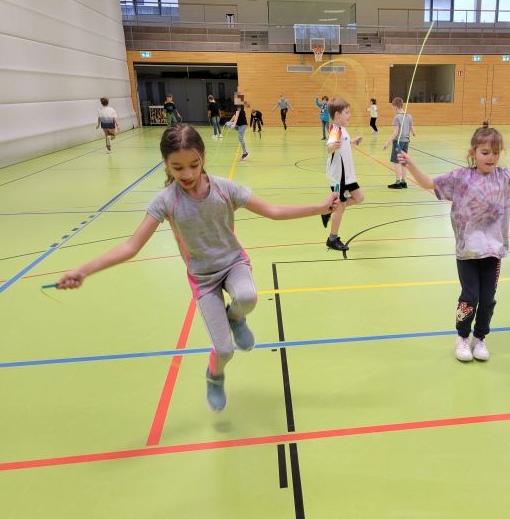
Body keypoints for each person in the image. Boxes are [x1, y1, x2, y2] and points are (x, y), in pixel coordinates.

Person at [54, 125, 339, 411]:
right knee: (224, 350)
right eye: (177, 167)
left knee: (247, 297)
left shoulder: (224, 189)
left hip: (233, 263)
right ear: (166, 164)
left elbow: (272, 211)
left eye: (193, 164)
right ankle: (214, 377)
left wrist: (319, 208)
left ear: (203, 157)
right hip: (203, 280)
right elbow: (131, 246)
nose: (187, 174)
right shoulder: (166, 201)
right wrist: (84, 270)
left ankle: (236, 318)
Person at [397, 122, 510, 362]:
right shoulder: (460, 178)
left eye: (495, 152)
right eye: (485, 152)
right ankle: (462, 336)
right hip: (467, 252)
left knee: (487, 299)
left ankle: (480, 337)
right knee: (469, 296)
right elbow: (429, 184)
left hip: (493, 251)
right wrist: (410, 165)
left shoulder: (506, 178)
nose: (491, 157)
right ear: (473, 152)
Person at [322, 98, 364, 251]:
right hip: (338, 177)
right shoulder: (336, 130)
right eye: (347, 112)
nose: (349, 115)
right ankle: (332, 239)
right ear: (337, 114)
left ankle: (329, 209)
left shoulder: (343, 129)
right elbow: (330, 146)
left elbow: (343, 145)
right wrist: (332, 146)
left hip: (348, 175)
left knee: (359, 197)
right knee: (341, 207)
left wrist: (352, 142)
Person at [382, 97, 416, 189]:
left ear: (395, 107)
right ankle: (404, 181)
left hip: (398, 142)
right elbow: (411, 127)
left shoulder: (397, 117)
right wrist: (414, 133)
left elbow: (396, 132)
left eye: (393, 108)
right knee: (403, 161)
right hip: (406, 141)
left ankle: (398, 182)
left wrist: (388, 142)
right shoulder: (409, 116)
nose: (393, 110)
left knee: (396, 161)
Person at [227, 94, 249, 160]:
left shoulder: (240, 106)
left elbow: (236, 116)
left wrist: (234, 124)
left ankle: (245, 153)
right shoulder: (237, 107)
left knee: (240, 138)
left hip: (243, 125)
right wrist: (229, 122)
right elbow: (234, 116)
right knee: (227, 124)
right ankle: (240, 130)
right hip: (239, 126)